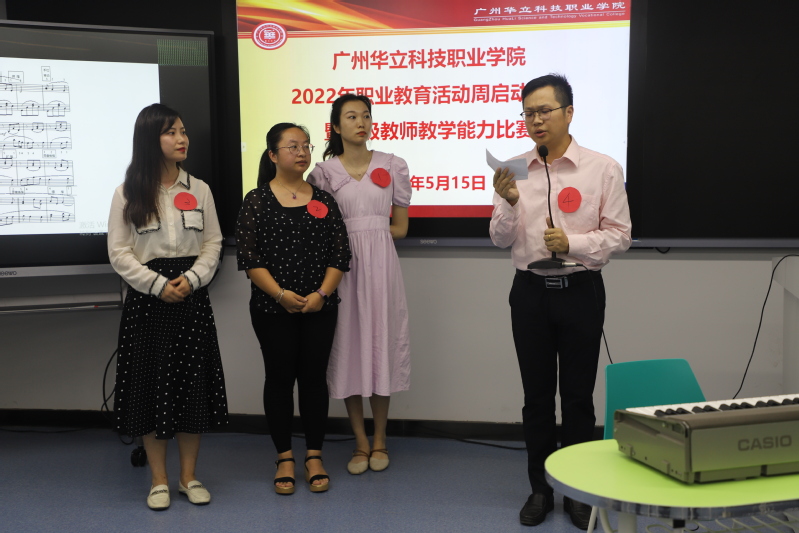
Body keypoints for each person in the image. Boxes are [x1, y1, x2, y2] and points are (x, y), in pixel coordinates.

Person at [489, 74, 632, 528]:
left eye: (544, 111)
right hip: (529, 292)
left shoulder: (602, 168)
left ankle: (576, 491)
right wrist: (510, 202)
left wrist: (572, 243)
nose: (536, 120)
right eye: (528, 113)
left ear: (569, 113)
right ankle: (539, 488)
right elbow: (498, 238)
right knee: (535, 397)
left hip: (580, 291)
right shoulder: (513, 169)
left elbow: (621, 235)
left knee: (577, 397)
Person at [108, 103, 229, 510]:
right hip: (148, 301)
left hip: (191, 298)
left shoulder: (200, 189)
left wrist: (192, 279)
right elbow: (119, 252)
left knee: (191, 388)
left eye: (183, 131)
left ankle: (188, 477)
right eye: (171, 132)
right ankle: (158, 480)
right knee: (149, 388)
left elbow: (213, 243)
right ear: (150, 139)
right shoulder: (127, 193)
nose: (182, 139)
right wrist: (158, 285)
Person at [236, 123, 351, 494]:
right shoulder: (256, 200)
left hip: (321, 306)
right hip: (272, 309)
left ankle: (314, 455)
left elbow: (340, 254)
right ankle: (284, 456)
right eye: (292, 146)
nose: (301, 152)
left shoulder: (324, 199)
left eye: (306, 146)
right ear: (273, 155)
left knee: (315, 380)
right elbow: (249, 258)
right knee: (279, 379)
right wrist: (280, 295)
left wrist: (322, 294)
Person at [307, 94, 411, 475]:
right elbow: (318, 229)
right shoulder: (322, 173)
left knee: (381, 344)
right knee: (348, 347)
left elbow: (400, 228)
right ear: (336, 126)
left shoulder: (392, 165)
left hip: (381, 268)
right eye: (351, 117)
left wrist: (372, 235)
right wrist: (348, 242)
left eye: (366, 115)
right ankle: (360, 441)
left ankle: (380, 438)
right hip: (341, 270)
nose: (361, 122)